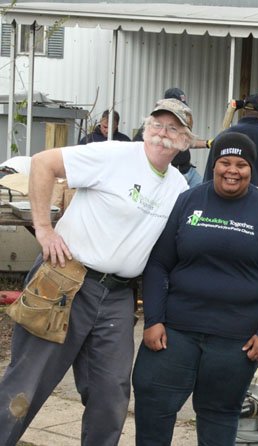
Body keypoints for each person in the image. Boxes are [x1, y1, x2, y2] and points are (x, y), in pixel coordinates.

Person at [0, 98, 193, 445]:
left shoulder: (179, 188)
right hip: (65, 279)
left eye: (174, 129)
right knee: (26, 384)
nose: (164, 134)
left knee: (111, 395)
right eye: (158, 124)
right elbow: (43, 163)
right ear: (146, 127)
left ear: (185, 141)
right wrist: (43, 229)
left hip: (118, 296)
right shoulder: (114, 155)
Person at [132, 131, 258, 445]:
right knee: (153, 399)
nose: (232, 170)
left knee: (219, 413)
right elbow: (159, 263)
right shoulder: (189, 200)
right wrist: (153, 318)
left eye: (241, 164)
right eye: (225, 162)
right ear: (213, 164)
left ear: (251, 169)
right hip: (175, 332)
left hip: (235, 341)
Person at [134, 87, 207, 187]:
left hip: (187, 169)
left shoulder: (183, 125)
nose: (162, 133)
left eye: (173, 129)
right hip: (171, 173)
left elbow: (189, 141)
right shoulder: (150, 127)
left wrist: (208, 143)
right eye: (158, 125)